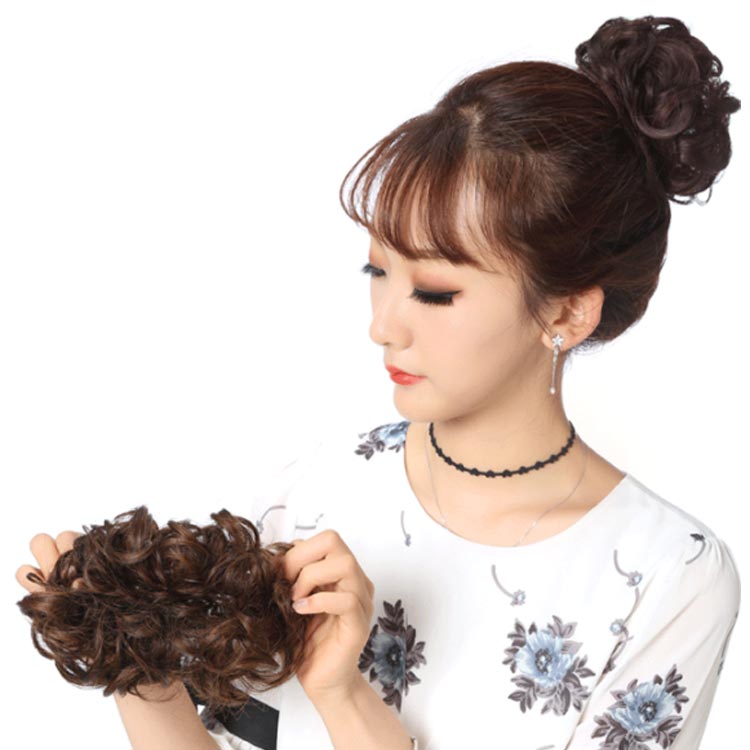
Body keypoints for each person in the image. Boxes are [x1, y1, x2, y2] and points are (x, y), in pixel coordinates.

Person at [16, 14, 741, 750]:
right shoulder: (318, 492)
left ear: (566, 311)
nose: (383, 325)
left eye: (434, 292)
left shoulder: (669, 575)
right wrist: (129, 658)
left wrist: (344, 696)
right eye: (377, 271)